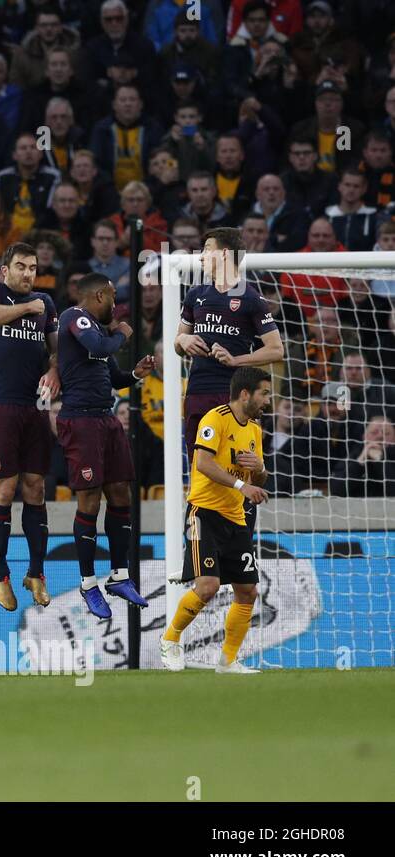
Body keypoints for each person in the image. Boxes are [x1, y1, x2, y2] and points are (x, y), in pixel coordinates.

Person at [160, 367, 272, 674]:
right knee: (207, 587)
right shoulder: (214, 419)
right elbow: (203, 463)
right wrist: (242, 486)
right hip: (204, 513)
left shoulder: (254, 430)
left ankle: (227, 661)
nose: (267, 400)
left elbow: (259, 475)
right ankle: (170, 640)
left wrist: (259, 469)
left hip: (235, 519)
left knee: (247, 591)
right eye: (264, 393)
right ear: (245, 393)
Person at [55, 273, 155, 618]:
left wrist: (137, 374)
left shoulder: (97, 332)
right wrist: (122, 335)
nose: (116, 304)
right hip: (80, 421)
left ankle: (119, 575)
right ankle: (88, 583)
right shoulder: (75, 318)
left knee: (120, 493)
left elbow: (114, 377)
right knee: (90, 500)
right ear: (98, 295)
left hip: (105, 418)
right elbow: (101, 348)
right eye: (112, 296)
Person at [0, 243, 60, 611]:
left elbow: (56, 349)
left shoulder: (47, 304)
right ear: (5, 270)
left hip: (36, 404)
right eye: (21, 267)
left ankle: (37, 572)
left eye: (33, 268)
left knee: (36, 487)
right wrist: (28, 308)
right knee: (4, 488)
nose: (28, 274)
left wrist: (56, 369)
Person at [174, 227, 284, 461]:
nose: (201, 257)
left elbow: (276, 349)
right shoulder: (195, 295)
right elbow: (177, 345)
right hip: (197, 391)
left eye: (207, 250)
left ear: (224, 254)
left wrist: (235, 360)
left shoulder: (251, 297)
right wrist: (183, 339)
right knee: (199, 466)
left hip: (234, 393)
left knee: (236, 464)